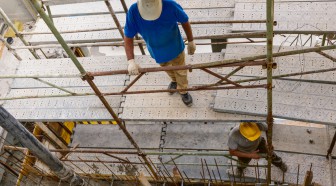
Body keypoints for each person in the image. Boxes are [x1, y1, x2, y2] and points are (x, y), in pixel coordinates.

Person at [124, 0, 196, 106]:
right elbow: (128, 36)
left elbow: (185, 21)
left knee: (180, 70)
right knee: (166, 68)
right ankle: (175, 81)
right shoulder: (133, 11)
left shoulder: (170, 5)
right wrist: (130, 61)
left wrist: (191, 41)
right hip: (157, 52)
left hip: (175, 48)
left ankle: (183, 90)